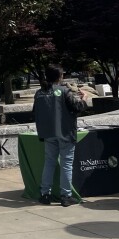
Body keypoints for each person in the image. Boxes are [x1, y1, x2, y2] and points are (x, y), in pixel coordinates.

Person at [34, 64, 87, 207]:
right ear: (59, 76)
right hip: (64, 133)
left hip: (48, 133)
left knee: (49, 163)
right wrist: (84, 98)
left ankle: (45, 194)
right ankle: (66, 196)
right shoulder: (64, 91)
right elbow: (78, 107)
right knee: (66, 164)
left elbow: (36, 112)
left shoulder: (39, 93)